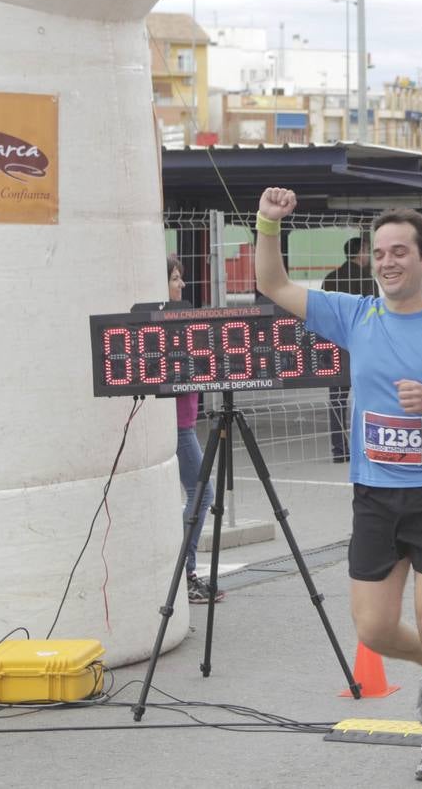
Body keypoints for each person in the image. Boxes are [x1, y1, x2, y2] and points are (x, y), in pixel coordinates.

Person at [254, 189, 422, 781]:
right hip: (374, 493)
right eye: (380, 253)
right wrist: (269, 221)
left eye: (400, 251)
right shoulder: (353, 315)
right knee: (372, 627)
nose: (388, 261)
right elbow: (272, 283)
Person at [168, 256, 225, 606]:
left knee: (199, 494)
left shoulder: (179, 322)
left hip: (184, 423)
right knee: (202, 494)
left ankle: (180, 570)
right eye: (175, 278)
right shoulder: (161, 326)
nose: (182, 284)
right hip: (176, 427)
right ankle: (183, 573)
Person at [322, 236, 379, 463]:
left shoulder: (330, 278)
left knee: (336, 399)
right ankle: (367, 447)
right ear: (362, 251)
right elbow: (372, 315)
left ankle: (339, 449)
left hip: (335, 343)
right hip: (359, 345)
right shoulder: (367, 279)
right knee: (368, 397)